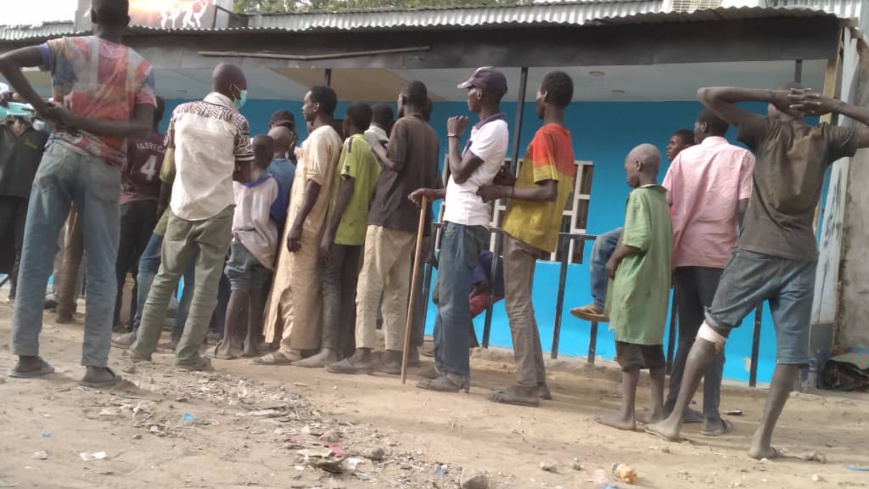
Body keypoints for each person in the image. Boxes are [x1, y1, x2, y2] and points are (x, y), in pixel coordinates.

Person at [647, 83, 869, 460]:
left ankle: (674, 421)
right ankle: (761, 441)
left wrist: (768, 94)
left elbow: (707, 95)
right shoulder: (826, 137)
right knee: (790, 352)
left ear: (776, 108)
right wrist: (834, 105)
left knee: (711, 331)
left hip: (754, 251)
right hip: (800, 256)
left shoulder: (764, 131)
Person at [3, 0, 157, 387]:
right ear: (126, 20)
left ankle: (26, 356)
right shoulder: (140, 67)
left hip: (57, 155)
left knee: (36, 254)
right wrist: (88, 123)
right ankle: (95, 366)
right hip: (104, 167)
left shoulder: (65, 48)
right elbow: (141, 127)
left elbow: (6, 60)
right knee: (103, 264)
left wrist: (46, 109)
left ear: (91, 17)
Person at [130, 63, 254, 371]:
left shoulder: (180, 112)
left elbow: (170, 164)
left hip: (182, 206)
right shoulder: (238, 122)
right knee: (204, 286)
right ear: (235, 88)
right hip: (217, 210)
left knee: (164, 278)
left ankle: (142, 347)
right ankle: (186, 355)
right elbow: (246, 171)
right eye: (243, 88)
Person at [476, 71, 576, 407]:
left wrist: (501, 190)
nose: (534, 99)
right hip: (540, 232)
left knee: (516, 306)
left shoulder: (545, 135)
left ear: (545, 95)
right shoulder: (564, 137)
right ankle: (538, 381)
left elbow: (548, 191)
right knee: (524, 306)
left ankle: (527, 384)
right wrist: (515, 180)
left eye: (536, 94)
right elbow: (545, 184)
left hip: (523, 230)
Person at [327, 81, 440, 375]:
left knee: (368, 285)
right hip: (413, 221)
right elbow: (434, 179)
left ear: (403, 99)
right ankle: (393, 354)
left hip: (388, 215)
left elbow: (395, 163)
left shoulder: (402, 126)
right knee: (398, 290)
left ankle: (362, 352)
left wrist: (374, 143)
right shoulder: (431, 133)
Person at [412, 67, 510, 393]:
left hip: (465, 225)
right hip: (458, 219)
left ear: (479, 94)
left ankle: (454, 374)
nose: (466, 94)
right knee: (442, 295)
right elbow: (464, 183)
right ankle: (444, 367)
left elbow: (459, 174)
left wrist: (452, 135)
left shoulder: (494, 129)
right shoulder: (484, 129)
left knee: (452, 301)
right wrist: (435, 193)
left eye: (470, 90)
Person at [661, 108, 755, 435]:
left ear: (702, 127)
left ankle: (674, 406)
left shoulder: (683, 159)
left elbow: (666, 204)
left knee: (687, 335)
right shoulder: (742, 158)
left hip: (683, 254)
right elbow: (744, 208)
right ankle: (711, 417)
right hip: (718, 256)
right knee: (713, 338)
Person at [257, 86, 342, 365]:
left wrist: (297, 223)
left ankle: (290, 347)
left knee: (295, 286)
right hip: (310, 223)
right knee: (301, 285)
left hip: (306, 225)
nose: (302, 107)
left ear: (316, 107)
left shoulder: (320, 138)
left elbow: (314, 182)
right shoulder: (329, 137)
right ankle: (297, 344)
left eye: (306, 103)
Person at [571, 129, 694, 322]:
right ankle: (602, 302)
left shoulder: (673, 175)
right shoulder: (675, 170)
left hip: (663, 227)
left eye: (673, 142)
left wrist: (615, 258)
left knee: (606, 243)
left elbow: (643, 234)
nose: (668, 146)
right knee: (607, 242)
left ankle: (601, 303)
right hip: (660, 225)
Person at [294, 103, 381, 368]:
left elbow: (347, 186)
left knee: (330, 283)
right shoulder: (371, 150)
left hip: (343, 227)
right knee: (346, 288)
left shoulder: (353, 145)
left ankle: (329, 347)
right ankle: (343, 347)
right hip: (359, 228)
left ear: (348, 122)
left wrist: (328, 232)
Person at [595, 144, 673, 431]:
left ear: (638, 165)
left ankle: (626, 414)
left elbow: (638, 238)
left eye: (627, 166)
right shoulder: (662, 200)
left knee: (628, 350)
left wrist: (614, 257)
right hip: (656, 285)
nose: (625, 172)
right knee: (653, 348)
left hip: (635, 283)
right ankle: (656, 410)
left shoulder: (638, 197)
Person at [214, 135, 281, 359]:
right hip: (263, 245)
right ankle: (250, 344)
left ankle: (226, 344)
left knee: (236, 290)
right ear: (271, 159)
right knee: (255, 293)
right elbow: (277, 212)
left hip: (241, 241)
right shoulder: (272, 182)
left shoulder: (235, 179)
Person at [113, 96, 166, 330]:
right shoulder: (167, 143)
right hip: (152, 208)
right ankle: (137, 323)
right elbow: (168, 179)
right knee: (142, 268)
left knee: (117, 265)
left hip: (128, 204)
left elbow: (120, 169)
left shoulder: (131, 139)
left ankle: (111, 320)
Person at [0, 108, 49, 303]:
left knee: (23, 245)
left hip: (27, 199)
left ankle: (16, 293)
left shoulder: (40, 136)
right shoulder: (2, 131)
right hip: (3, 195)